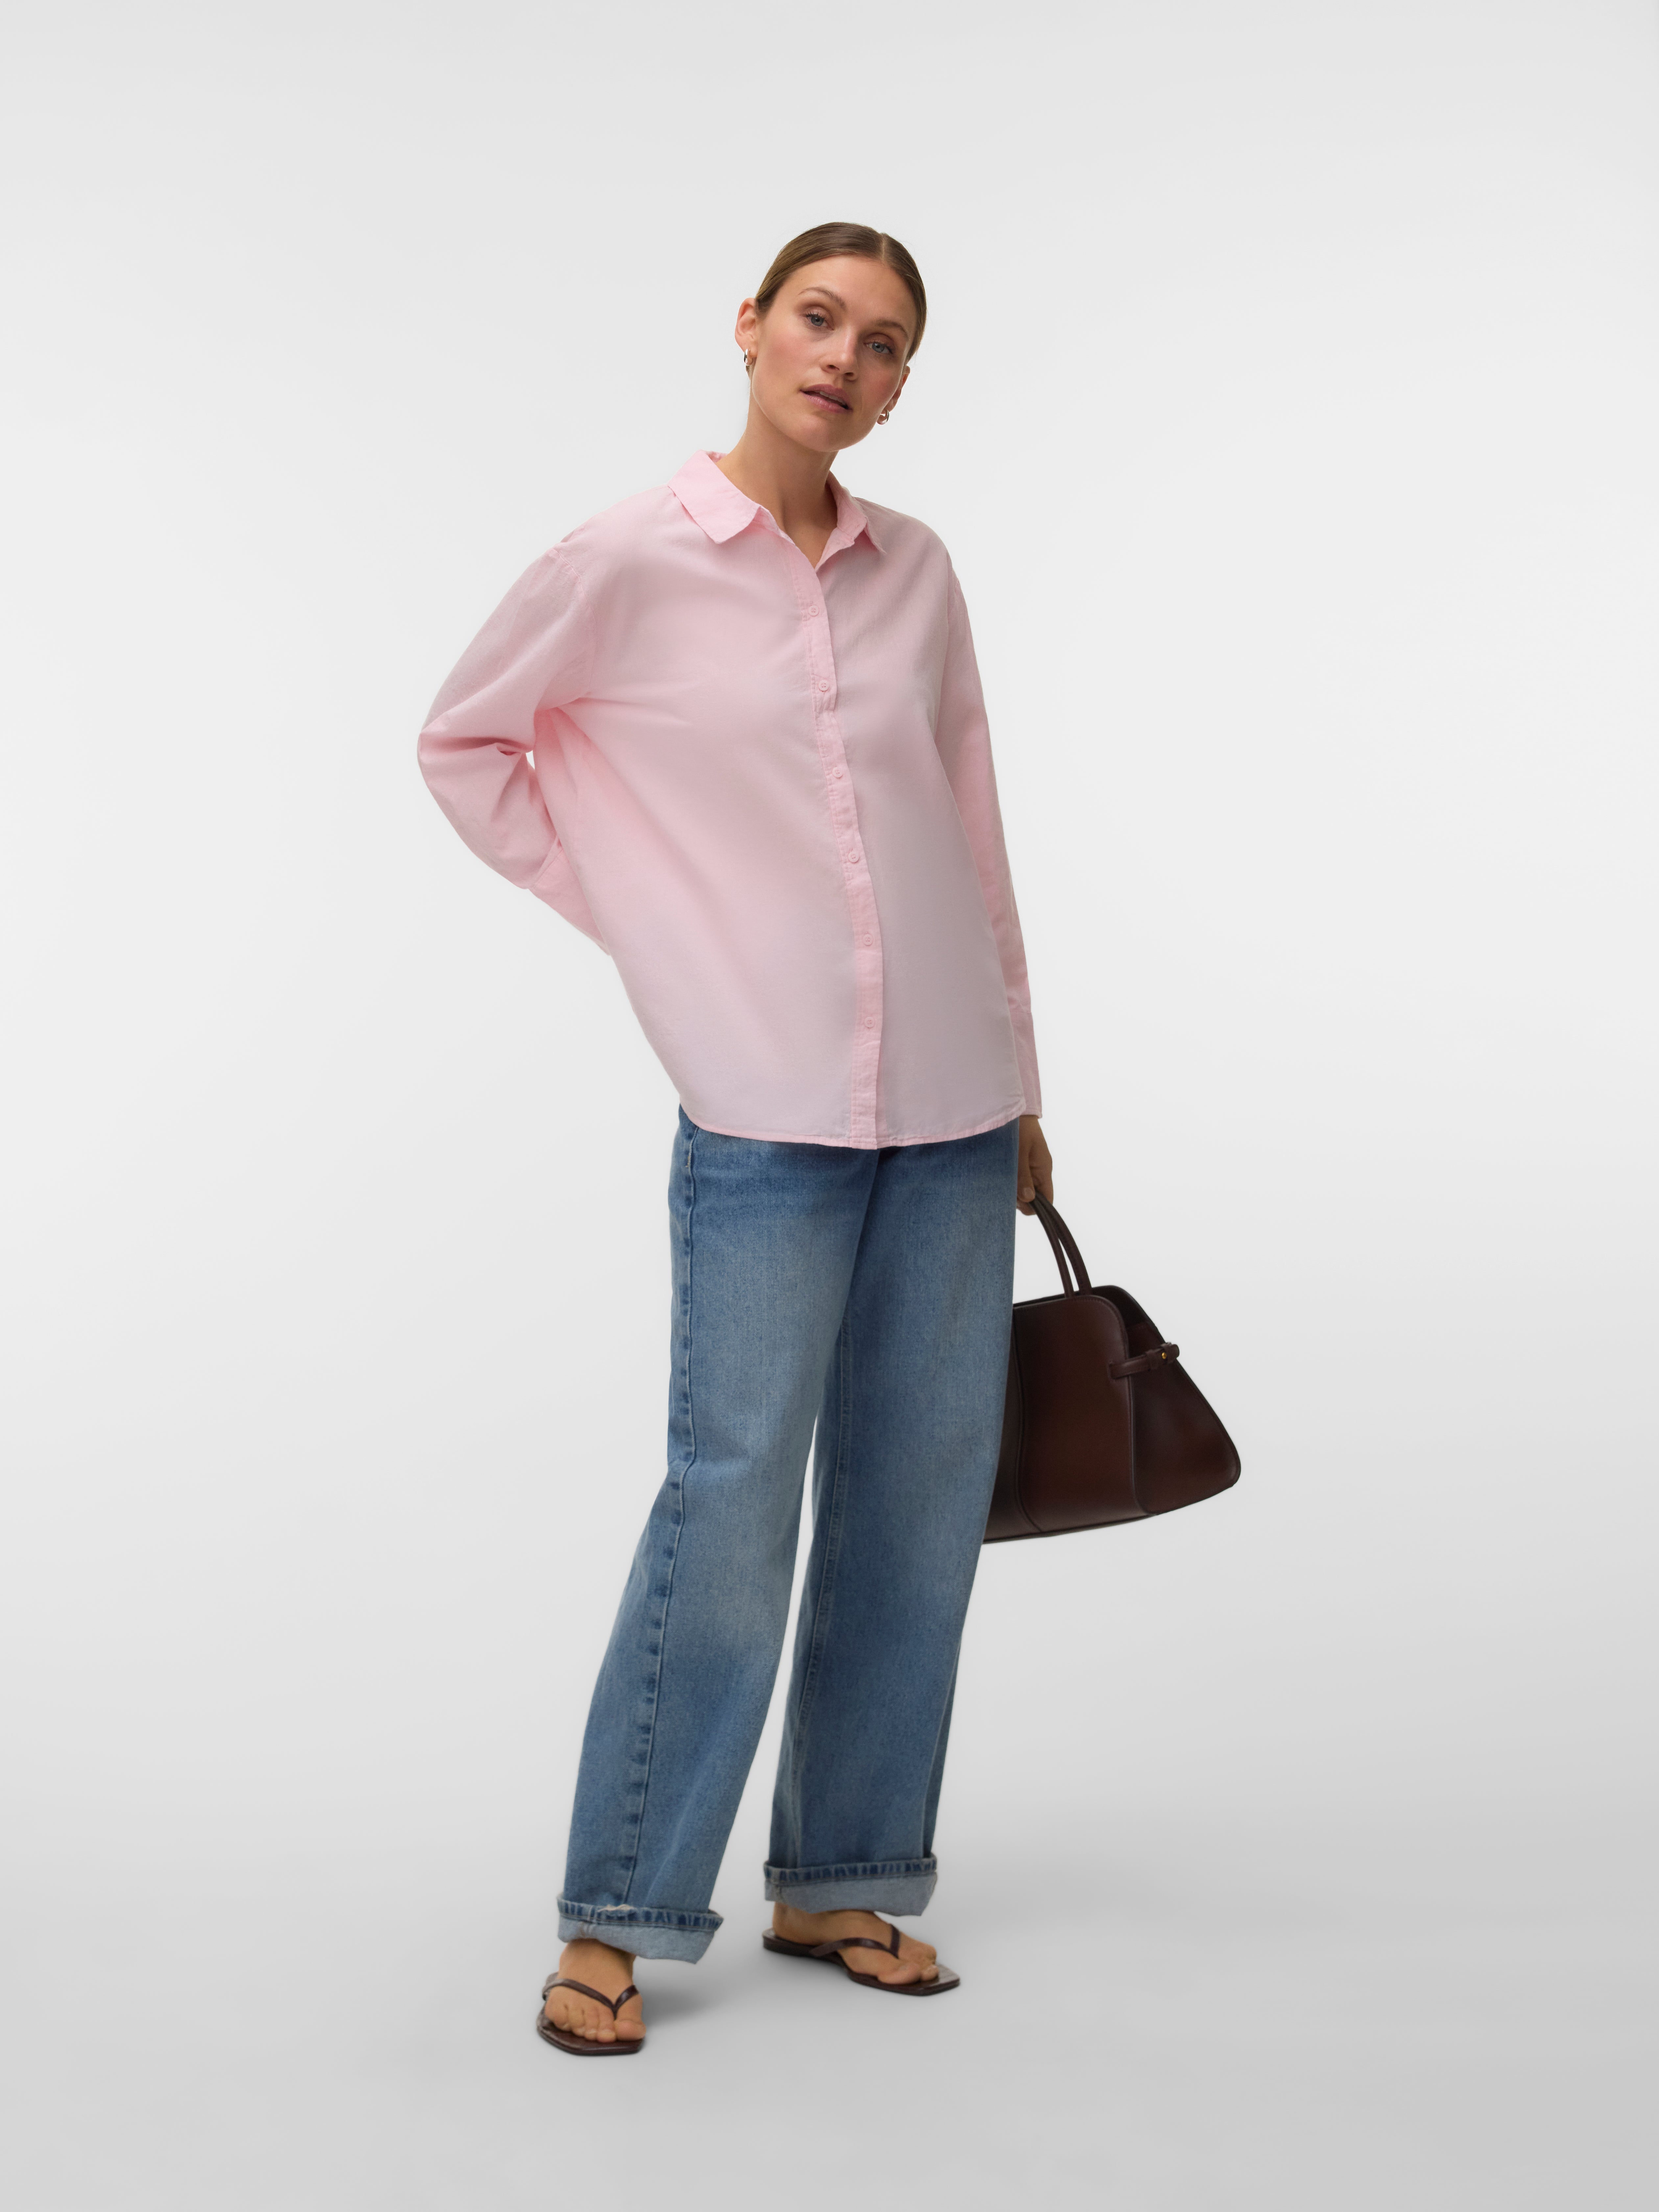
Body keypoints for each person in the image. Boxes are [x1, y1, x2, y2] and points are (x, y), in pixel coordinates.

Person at [417, 222, 1053, 2055]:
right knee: (730, 1497)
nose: (844, 357)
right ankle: (618, 1909)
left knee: (918, 1506)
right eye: (820, 319)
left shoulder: (918, 573)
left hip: (952, 1101)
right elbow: (467, 746)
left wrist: (1022, 1082)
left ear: (902, 386)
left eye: (885, 342)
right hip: (763, 1100)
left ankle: (839, 1877)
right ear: (754, 327)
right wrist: (656, 925)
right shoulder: (628, 556)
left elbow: (971, 827)